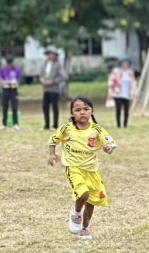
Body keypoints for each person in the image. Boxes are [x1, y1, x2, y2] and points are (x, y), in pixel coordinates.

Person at [47, 96, 116, 240]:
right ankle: (76, 213)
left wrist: (109, 149)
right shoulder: (67, 129)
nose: (82, 112)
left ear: (92, 111)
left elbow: (109, 144)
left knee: (91, 202)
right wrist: (52, 154)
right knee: (83, 194)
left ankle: (85, 229)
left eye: (86, 109)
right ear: (72, 113)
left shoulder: (97, 129)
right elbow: (53, 140)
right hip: (73, 168)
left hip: (91, 170)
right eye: (78, 110)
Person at [40, 48, 68, 130]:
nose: (50, 56)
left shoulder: (58, 64)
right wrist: (42, 80)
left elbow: (63, 76)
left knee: (55, 107)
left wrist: (52, 82)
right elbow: (41, 74)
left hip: (54, 89)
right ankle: (46, 124)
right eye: (48, 54)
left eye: (51, 54)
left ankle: (55, 124)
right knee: (45, 106)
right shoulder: (45, 64)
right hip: (46, 89)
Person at [107, 56, 137, 128]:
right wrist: (110, 92)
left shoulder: (130, 72)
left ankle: (125, 125)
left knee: (126, 110)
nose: (125, 64)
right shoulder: (116, 71)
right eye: (124, 63)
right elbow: (111, 81)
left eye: (126, 63)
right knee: (118, 110)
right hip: (118, 94)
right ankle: (118, 125)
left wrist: (134, 93)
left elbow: (133, 83)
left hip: (127, 94)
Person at [0, 56, 22, 129]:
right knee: (5, 107)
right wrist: (5, 82)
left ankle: (15, 123)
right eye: (8, 64)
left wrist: (15, 83)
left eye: (11, 63)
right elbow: (0, 78)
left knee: (14, 107)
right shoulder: (3, 69)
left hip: (13, 89)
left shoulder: (17, 69)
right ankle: (4, 124)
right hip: (5, 88)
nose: (10, 65)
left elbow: (19, 79)